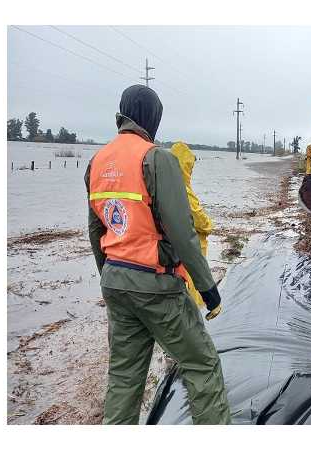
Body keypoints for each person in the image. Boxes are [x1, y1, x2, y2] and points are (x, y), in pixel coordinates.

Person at [85, 85, 230, 424]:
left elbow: (96, 230)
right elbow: (183, 232)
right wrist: (209, 290)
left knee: (123, 378)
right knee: (202, 364)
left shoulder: (97, 161)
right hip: (156, 286)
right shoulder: (157, 158)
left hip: (116, 283)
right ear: (152, 119)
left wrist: (110, 275)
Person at [170, 141, 214, 308]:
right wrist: (209, 225)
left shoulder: (165, 187)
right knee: (192, 291)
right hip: (192, 250)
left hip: (179, 253)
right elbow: (198, 218)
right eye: (190, 166)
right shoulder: (182, 190)